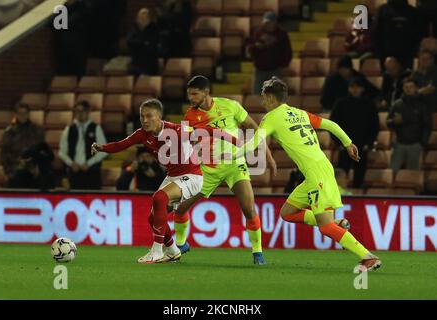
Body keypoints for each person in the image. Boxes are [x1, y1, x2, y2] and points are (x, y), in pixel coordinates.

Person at [237, 77, 381, 271]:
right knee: (287, 213)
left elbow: (255, 142)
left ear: (271, 98)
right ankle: (337, 223)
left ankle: (367, 256)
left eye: (264, 98)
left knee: (325, 227)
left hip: (315, 174)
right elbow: (331, 125)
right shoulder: (299, 113)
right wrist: (348, 144)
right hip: (320, 168)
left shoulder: (271, 118)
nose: (263, 103)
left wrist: (231, 154)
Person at [92, 99, 239, 263]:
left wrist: (238, 142)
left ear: (159, 116)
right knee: (152, 218)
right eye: (142, 116)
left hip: (192, 176)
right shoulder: (142, 134)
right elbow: (121, 145)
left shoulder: (177, 130)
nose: (145, 120)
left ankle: (157, 250)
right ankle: (172, 251)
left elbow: (210, 131)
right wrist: (101, 148)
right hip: (173, 176)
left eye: (149, 116)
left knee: (159, 197)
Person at [173, 75, 277, 265]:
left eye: (194, 94)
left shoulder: (230, 106)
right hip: (207, 168)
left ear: (206, 92)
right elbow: (185, 142)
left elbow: (253, 127)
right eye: (189, 94)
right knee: (180, 208)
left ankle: (258, 253)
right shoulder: (189, 116)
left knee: (249, 208)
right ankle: (180, 245)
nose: (191, 98)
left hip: (234, 164)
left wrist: (268, 155)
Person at [331, 78, 380, 188]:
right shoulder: (341, 104)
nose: (355, 90)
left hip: (362, 146)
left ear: (362, 89)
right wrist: (339, 143)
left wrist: (369, 143)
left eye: (358, 87)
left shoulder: (369, 104)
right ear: (349, 88)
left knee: (359, 177)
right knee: (341, 175)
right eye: (352, 87)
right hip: (345, 146)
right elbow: (333, 125)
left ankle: (356, 199)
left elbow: (374, 126)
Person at [386, 77, 432, 174]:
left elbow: (427, 125)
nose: (408, 89)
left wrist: (422, 143)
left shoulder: (422, 105)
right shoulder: (397, 104)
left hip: (415, 144)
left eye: (411, 87)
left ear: (416, 88)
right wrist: (394, 122)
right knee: (392, 172)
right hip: (399, 144)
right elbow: (388, 122)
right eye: (406, 87)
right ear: (403, 88)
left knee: (412, 173)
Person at [59, 101, 107, 190]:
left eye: (82, 111)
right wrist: (71, 163)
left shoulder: (96, 128)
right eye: (77, 111)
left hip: (92, 173)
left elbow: (103, 151)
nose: (80, 114)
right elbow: (62, 152)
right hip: (74, 172)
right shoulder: (69, 129)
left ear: (88, 112)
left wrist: (88, 164)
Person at [248, 11, 292, 94]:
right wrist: (257, 47)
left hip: (276, 69)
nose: (268, 25)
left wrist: (283, 64)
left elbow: (287, 51)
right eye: (266, 23)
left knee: (276, 95)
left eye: (270, 23)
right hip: (260, 69)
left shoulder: (281, 35)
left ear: (275, 23)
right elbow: (250, 49)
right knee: (257, 94)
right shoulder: (258, 33)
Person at [0, 102, 45, 185]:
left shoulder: (37, 130)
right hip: (15, 170)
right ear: (15, 114)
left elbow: (42, 150)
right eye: (20, 113)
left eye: (25, 113)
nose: (23, 116)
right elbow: (4, 154)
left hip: (33, 171)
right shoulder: (9, 132)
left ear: (28, 114)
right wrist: (7, 171)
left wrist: (38, 167)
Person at [372, 0, 420, 70]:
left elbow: (417, 34)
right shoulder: (382, 10)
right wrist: (379, 52)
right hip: (386, 54)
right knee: (388, 78)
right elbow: (376, 33)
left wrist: (414, 51)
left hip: (407, 54)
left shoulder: (412, 11)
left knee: (406, 78)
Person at [127, 8, 159, 76]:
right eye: (141, 18)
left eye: (145, 18)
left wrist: (139, 43)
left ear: (149, 19)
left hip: (149, 64)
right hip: (135, 63)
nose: (143, 20)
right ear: (137, 19)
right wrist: (143, 43)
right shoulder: (134, 29)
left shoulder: (154, 29)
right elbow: (129, 41)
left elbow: (151, 45)